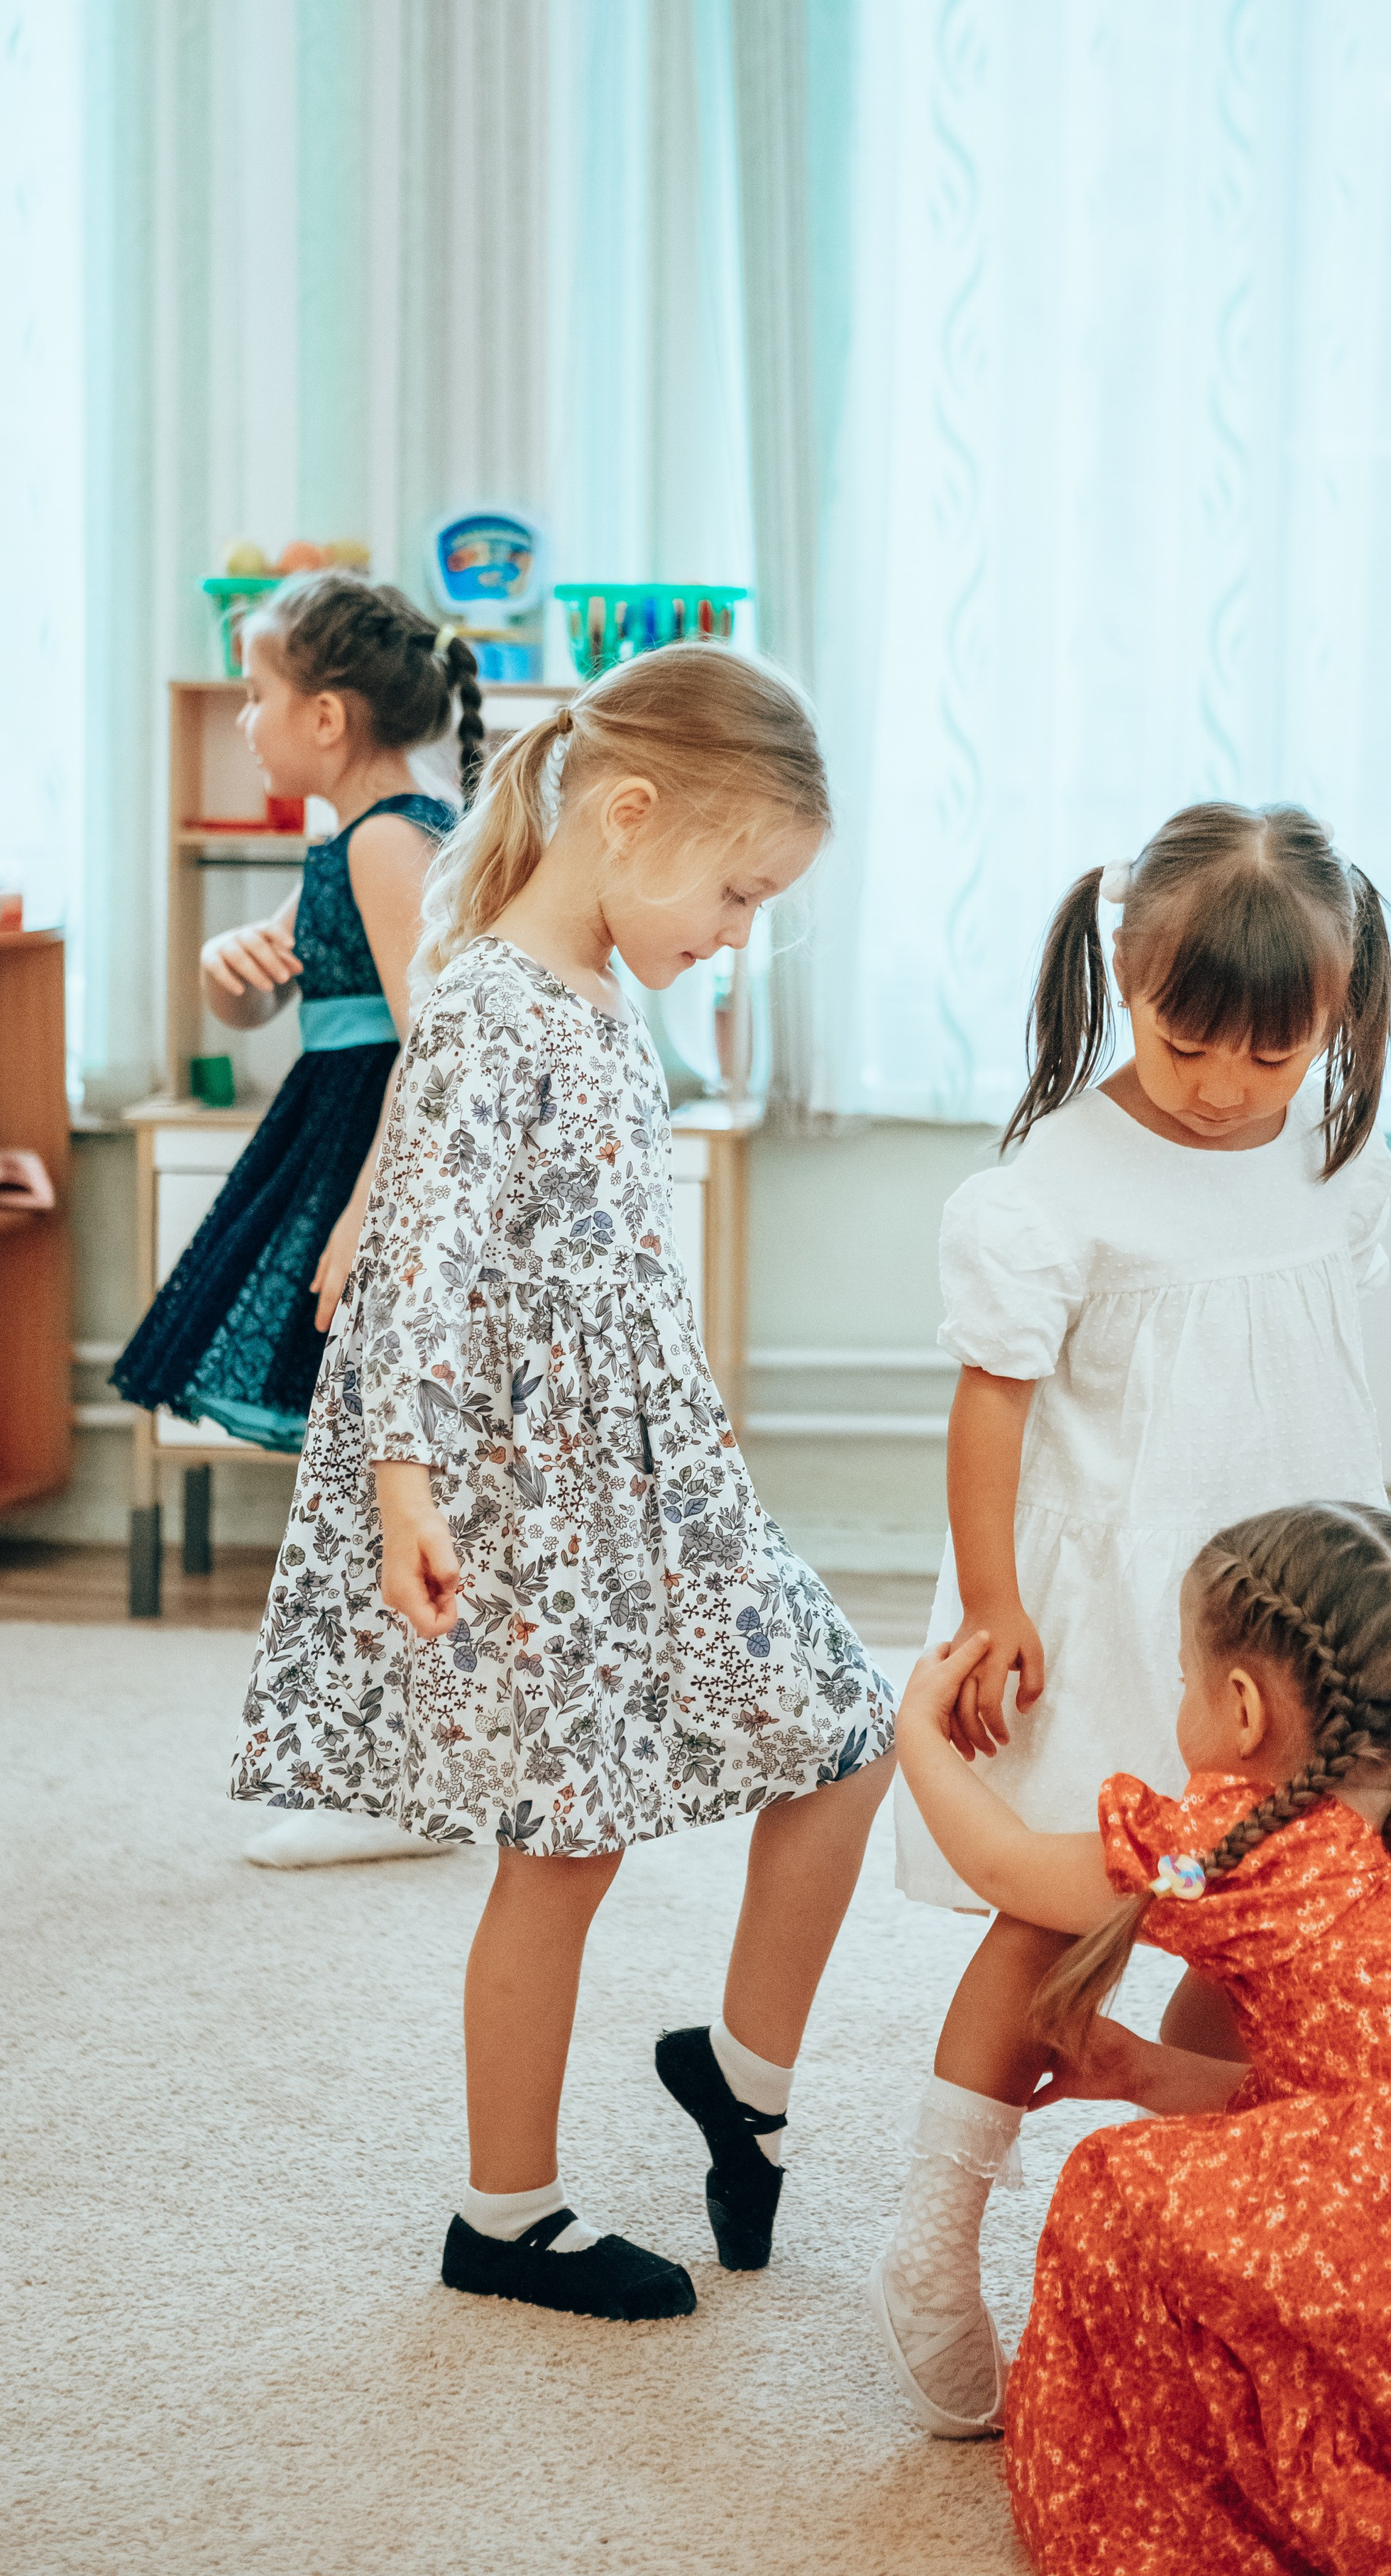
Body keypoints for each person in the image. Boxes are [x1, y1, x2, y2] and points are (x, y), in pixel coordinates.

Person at [231, 639, 896, 2319]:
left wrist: (684, 1404)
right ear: (629, 813)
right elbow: (429, 1259)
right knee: (565, 1848)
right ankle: (502, 2214)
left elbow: (596, 1259)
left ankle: (738, 2074)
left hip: (653, 1485)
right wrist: (403, 1482)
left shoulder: (599, 1000)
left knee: (843, 1728)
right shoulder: (485, 1005)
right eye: (735, 893)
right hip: (531, 1510)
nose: (735, 934)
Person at [894, 1499, 1391, 2568]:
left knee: (1115, 2193)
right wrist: (1141, 2066)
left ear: (1238, 1709)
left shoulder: (1228, 1860)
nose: (1178, 1702)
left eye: (1183, 1682)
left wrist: (915, 1729)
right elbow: (1361, 2127)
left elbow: (1002, 1865)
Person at [875, 803, 1391, 2434]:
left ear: (1334, 1015)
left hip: (1292, 1625)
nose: (1227, 1088)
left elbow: (1315, 1379)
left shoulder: (1334, 1141)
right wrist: (992, 1605)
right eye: (1186, 1045)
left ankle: (1191, 2239)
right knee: (1061, 1911)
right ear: (1125, 974)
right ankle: (932, 2235)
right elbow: (991, 1406)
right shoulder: (1055, 1180)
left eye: (1273, 1050)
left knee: (1265, 1921)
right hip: (1113, 1607)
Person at [114, 571, 473, 1867]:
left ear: (327, 718)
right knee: (358, 1481)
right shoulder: (357, 834)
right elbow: (277, 1000)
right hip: (328, 1143)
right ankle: (388, 1769)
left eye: (258, 697)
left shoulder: (391, 840)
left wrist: (368, 1220)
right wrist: (229, 974)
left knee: (375, 1483)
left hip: (361, 1165)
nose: (248, 721)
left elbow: (431, 1045)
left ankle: (393, 1781)